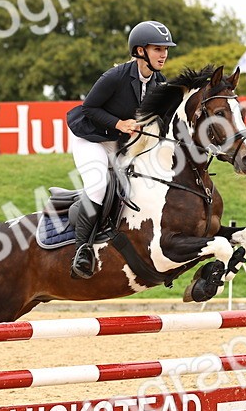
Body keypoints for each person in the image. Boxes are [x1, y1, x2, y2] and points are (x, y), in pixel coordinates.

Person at [65, 20, 175, 279]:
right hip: (91, 138)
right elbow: (89, 108)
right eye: (158, 49)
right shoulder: (115, 77)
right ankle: (82, 250)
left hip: (120, 142)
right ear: (140, 51)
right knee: (98, 184)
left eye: (165, 49)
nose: (164, 54)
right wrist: (119, 123)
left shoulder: (160, 82)